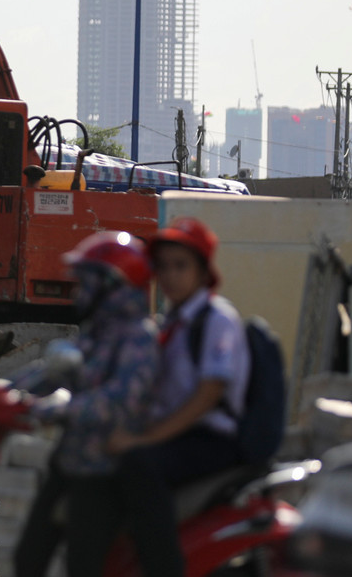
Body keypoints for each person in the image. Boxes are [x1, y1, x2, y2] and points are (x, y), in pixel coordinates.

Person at [106, 216, 251, 577]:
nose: (170, 276)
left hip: (211, 437)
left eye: (181, 266)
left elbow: (208, 394)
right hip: (179, 431)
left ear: (203, 271)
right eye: (164, 267)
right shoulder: (171, 321)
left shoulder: (217, 320)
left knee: (139, 464)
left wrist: (145, 439)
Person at [14, 230, 161, 577]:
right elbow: (55, 372)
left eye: (85, 283)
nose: (78, 293)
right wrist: (3, 392)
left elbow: (119, 400)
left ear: (111, 285)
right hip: (70, 461)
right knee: (27, 559)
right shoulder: (97, 332)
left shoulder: (139, 338)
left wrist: (58, 410)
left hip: (105, 473)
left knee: (83, 566)